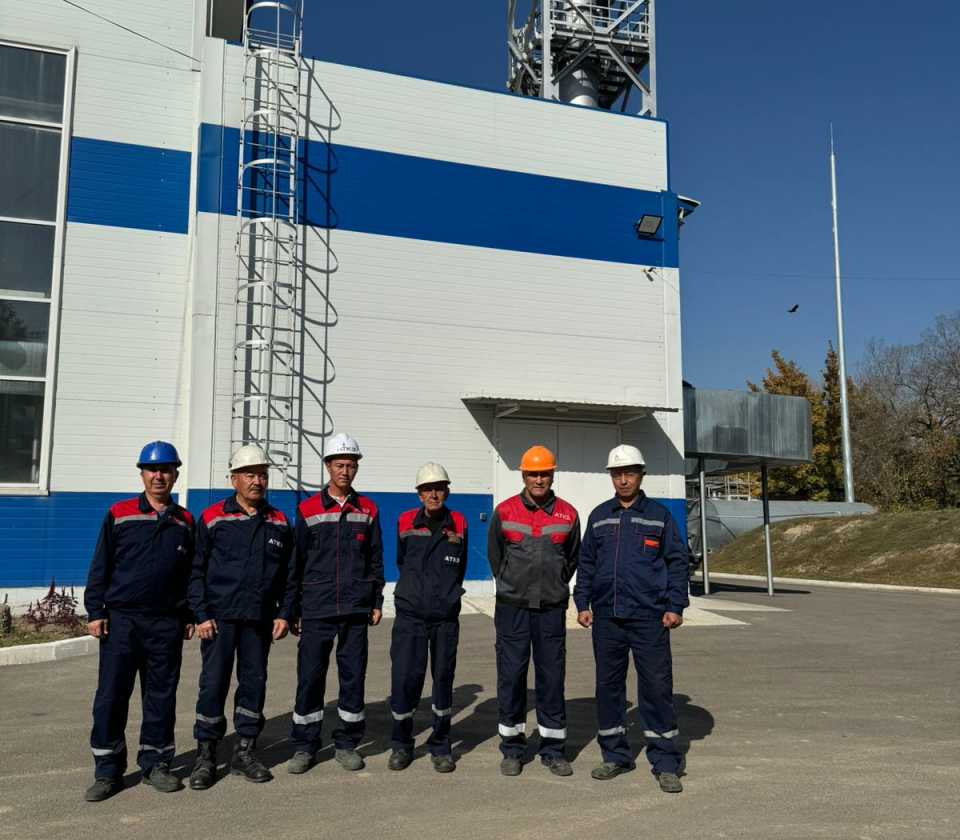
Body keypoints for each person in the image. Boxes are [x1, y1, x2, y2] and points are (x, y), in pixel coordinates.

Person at [573, 444, 689, 793]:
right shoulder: (599, 516)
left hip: (649, 617)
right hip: (607, 616)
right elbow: (586, 562)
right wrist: (582, 602)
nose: (623, 480)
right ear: (611, 477)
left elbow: (677, 562)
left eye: (629, 473)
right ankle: (615, 756)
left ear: (641, 475)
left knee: (656, 687)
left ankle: (665, 762)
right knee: (608, 688)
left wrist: (675, 605)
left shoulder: (659, 516)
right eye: (617, 474)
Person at [83, 441, 195, 801]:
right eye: (152, 469)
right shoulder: (120, 513)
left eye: (165, 469)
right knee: (111, 696)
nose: (158, 476)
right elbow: (101, 564)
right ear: (142, 473)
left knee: (160, 696)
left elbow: (191, 574)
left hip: (165, 623)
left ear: (175, 474)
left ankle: (156, 764)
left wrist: (190, 614)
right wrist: (95, 611)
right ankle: (107, 771)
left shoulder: (184, 521)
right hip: (122, 621)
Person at [187, 445, 296, 789]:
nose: (257, 481)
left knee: (254, 685)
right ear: (233, 479)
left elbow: (290, 576)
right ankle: (206, 755)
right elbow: (195, 570)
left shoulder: (279, 522)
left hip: (259, 621)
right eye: (249, 474)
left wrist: (284, 613)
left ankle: (245, 751)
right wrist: (201, 614)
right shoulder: (212, 518)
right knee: (213, 685)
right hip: (219, 621)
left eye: (262, 474)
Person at [288, 433, 384, 774]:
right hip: (317, 607)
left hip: (356, 608)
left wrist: (376, 599)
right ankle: (305, 745)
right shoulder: (308, 509)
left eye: (351, 465)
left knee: (353, 677)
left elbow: (375, 558)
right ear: (328, 466)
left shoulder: (368, 509)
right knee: (310, 678)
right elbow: (296, 562)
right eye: (340, 464)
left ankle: (347, 743)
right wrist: (293, 608)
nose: (345, 471)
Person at [487, 445, 580, 777]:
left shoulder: (568, 514)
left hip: (551, 610)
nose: (539, 480)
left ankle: (552, 749)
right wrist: (512, 585)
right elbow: (496, 557)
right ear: (523, 475)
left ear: (552, 475)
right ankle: (512, 748)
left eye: (544, 474)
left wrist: (555, 585)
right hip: (512, 609)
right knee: (511, 677)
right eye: (533, 474)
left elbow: (571, 559)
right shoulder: (505, 511)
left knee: (551, 679)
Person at [388, 463, 467, 774]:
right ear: (419, 494)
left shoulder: (459, 522)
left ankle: (441, 745)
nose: (434, 494)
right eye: (428, 489)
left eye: (439, 488)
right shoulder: (405, 520)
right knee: (405, 679)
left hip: (445, 617)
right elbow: (401, 561)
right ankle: (401, 744)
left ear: (447, 491)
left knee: (443, 680)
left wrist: (448, 594)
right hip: (411, 616)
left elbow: (459, 567)